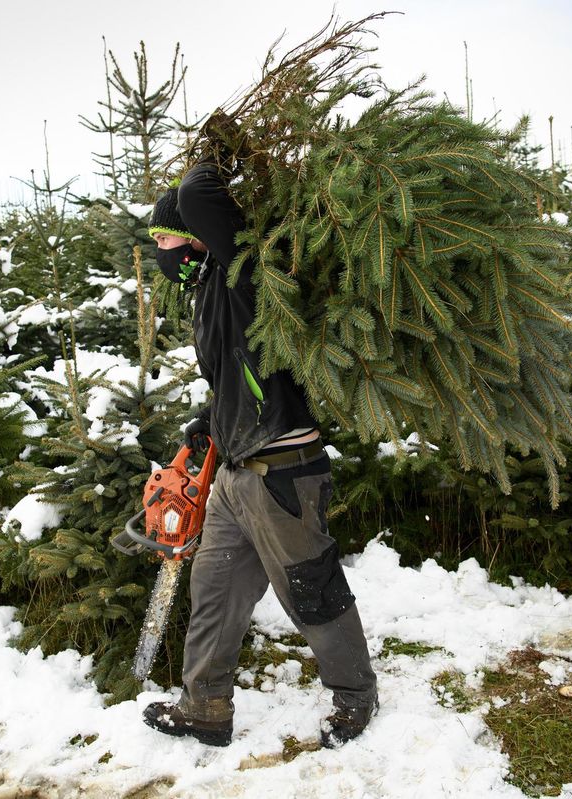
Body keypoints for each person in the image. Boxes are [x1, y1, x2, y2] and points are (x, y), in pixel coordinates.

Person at [141, 151, 378, 749]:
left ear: (196, 242)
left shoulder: (241, 274)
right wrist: (212, 422)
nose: (160, 251)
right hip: (235, 472)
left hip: (282, 472)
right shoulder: (210, 296)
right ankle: (206, 707)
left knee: (311, 589)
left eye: (166, 238)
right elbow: (241, 376)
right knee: (214, 592)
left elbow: (196, 195)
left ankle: (356, 698)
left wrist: (215, 147)